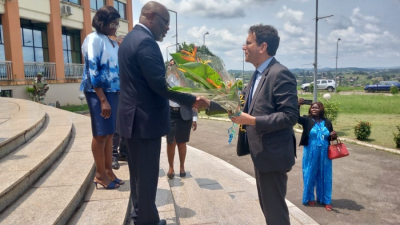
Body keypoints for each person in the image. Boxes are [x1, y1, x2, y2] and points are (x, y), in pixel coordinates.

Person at [117, 2, 210, 225]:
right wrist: (194, 100)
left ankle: (140, 216)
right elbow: (159, 85)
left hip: (132, 120)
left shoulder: (129, 39)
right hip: (144, 123)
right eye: (165, 22)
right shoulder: (146, 42)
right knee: (147, 178)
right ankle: (146, 221)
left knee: (138, 176)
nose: (168, 28)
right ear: (150, 16)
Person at [230, 24, 298, 225]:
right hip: (262, 154)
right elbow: (241, 102)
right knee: (269, 208)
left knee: (275, 211)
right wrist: (210, 101)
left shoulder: (279, 73)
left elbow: (289, 116)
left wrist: (251, 121)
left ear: (263, 47)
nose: (244, 46)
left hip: (273, 156)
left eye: (248, 42)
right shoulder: (258, 74)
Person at [80, 6, 123, 190]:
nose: (115, 27)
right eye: (113, 23)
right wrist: (102, 99)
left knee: (109, 134)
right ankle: (99, 174)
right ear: (102, 22)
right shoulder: (93, 39)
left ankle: (108, 171)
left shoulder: (111, 42)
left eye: (117, 23)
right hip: (98, 93)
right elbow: (92, 69)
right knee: (100, 134)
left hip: (113, 92)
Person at [297, 98, 337, 211]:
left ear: (321, 109)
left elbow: (330, 137)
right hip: (310, 151)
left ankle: (326, 200)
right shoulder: (306, 119)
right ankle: (309, 197)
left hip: (325, 153)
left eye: (317, 107)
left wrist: (334, 135)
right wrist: (297, 106)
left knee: (325, 175)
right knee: (309, 173)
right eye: (312, 107)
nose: (314, 109)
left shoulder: (327, 122)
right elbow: (296, 118)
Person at [166, 59, 198, 178]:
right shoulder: (166, 79)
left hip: (184, 113)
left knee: (182, 142)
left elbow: (194, 99)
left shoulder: (187, 80)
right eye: (171, 64)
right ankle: (170, 167)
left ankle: (182, 167)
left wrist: (195, 118)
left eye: (175, 64)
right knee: (171, 141)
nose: (172, 66)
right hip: (170, 113)